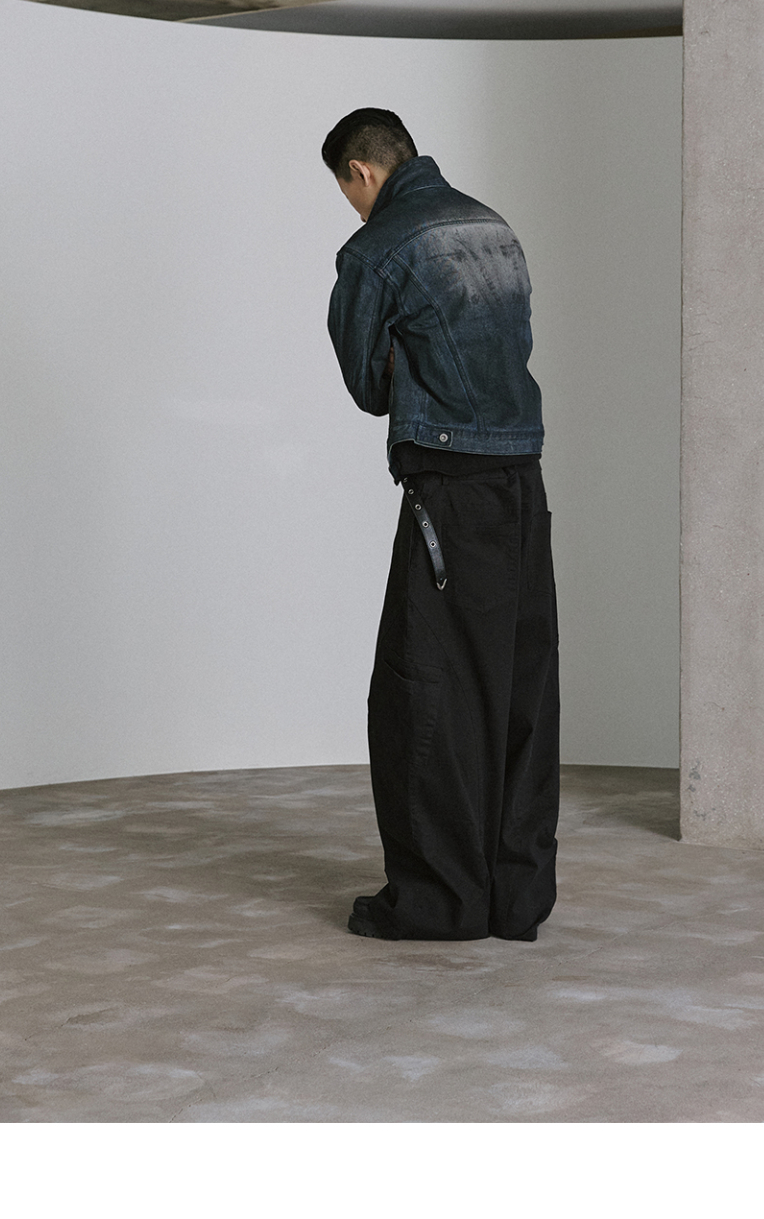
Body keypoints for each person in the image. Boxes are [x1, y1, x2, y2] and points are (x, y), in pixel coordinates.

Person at [323, 105, 560, 943]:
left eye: (348, 191)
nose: (354, 207)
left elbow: (367, 384)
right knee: (518, 688)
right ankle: (516, 898)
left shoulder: (376, 248)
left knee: (424, 693)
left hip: (449, 491)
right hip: (523, 481)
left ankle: (440, 900)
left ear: (361, 172)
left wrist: (405, 358)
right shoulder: (494, 228)